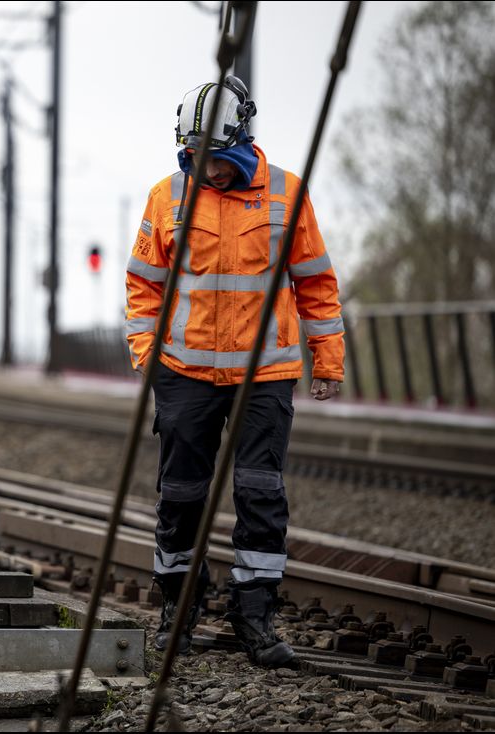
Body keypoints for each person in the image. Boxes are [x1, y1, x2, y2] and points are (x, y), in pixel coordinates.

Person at [124, 76, 344, 668]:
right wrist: (146, 353)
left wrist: (328, 360)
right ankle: (180, 608)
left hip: (265, 376)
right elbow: (143, 286)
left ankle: (255, 617)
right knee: (181, 494)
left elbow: (316, 282)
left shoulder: (286, 196)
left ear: (242, 141)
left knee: (260, 493)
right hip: (184, 372)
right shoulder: (166, 196)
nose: (206, 171)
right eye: (194, 158)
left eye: (215, 160)